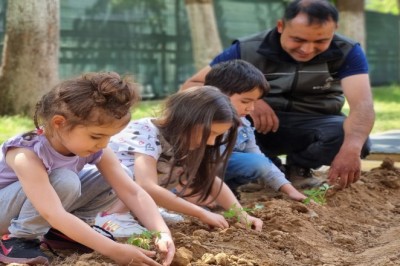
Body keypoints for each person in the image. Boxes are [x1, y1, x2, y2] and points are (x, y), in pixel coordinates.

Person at [182, 0, 375, 190]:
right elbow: (192, 86)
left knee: (356, 139)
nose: (307, 49)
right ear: (281, 26)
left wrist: (352, 149)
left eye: (321, 41)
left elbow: (362, 106)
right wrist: (253, 102)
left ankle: (298, 168)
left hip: (313, 123)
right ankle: (261, 170)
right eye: (298, 39)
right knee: (217, 125)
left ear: (334, 30)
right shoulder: (248, 49)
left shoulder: (348, 51)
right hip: (254, 127)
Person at [0, 72, 174, 266]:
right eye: (96, 136)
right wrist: (115, 251)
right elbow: (53, 213)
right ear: (59, 123)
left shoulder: (96, 147)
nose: (103, 144)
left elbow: (132, 192)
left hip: (42, 208)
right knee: (65, 181)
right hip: (5, 213)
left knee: (122, 173)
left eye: (109, 136)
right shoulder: (26, 153)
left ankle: (65, 233)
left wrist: (162, 233)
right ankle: (19, 239)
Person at [107, 86, 263, 231]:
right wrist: (201, 213)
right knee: (141, 174)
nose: (211, 142)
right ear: (188, 120)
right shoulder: (145, 133)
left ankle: (141, 213)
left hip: (133, 198)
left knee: (178, 169)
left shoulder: (183, 141)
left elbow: (211, 180)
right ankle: (114, 218)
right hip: (101, 195)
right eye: (211, 133)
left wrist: (242, 215)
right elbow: (146, 186)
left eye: (217, 136)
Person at [204, 59, 307, 201]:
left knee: (258, 163)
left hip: (216, 173)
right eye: (245, 101)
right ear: (215, 95)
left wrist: (290, 190)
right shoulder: (197, 123)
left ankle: (223, 191)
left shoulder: (243, 125)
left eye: (255, 101)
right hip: (185, 177)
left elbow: (259, 159)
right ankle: (203, 194)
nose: (251, 108)